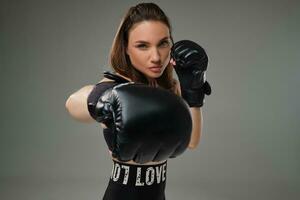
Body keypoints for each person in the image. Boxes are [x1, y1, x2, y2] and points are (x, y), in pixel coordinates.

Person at [65, 3, 211, 200]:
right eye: (142, 45)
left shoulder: (170, 88)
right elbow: (73, 103)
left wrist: (194, 91)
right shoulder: (118, 86)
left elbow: (191, 142)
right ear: (125, 48)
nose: (156, 57)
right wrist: (103, 99)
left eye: (163, 43)